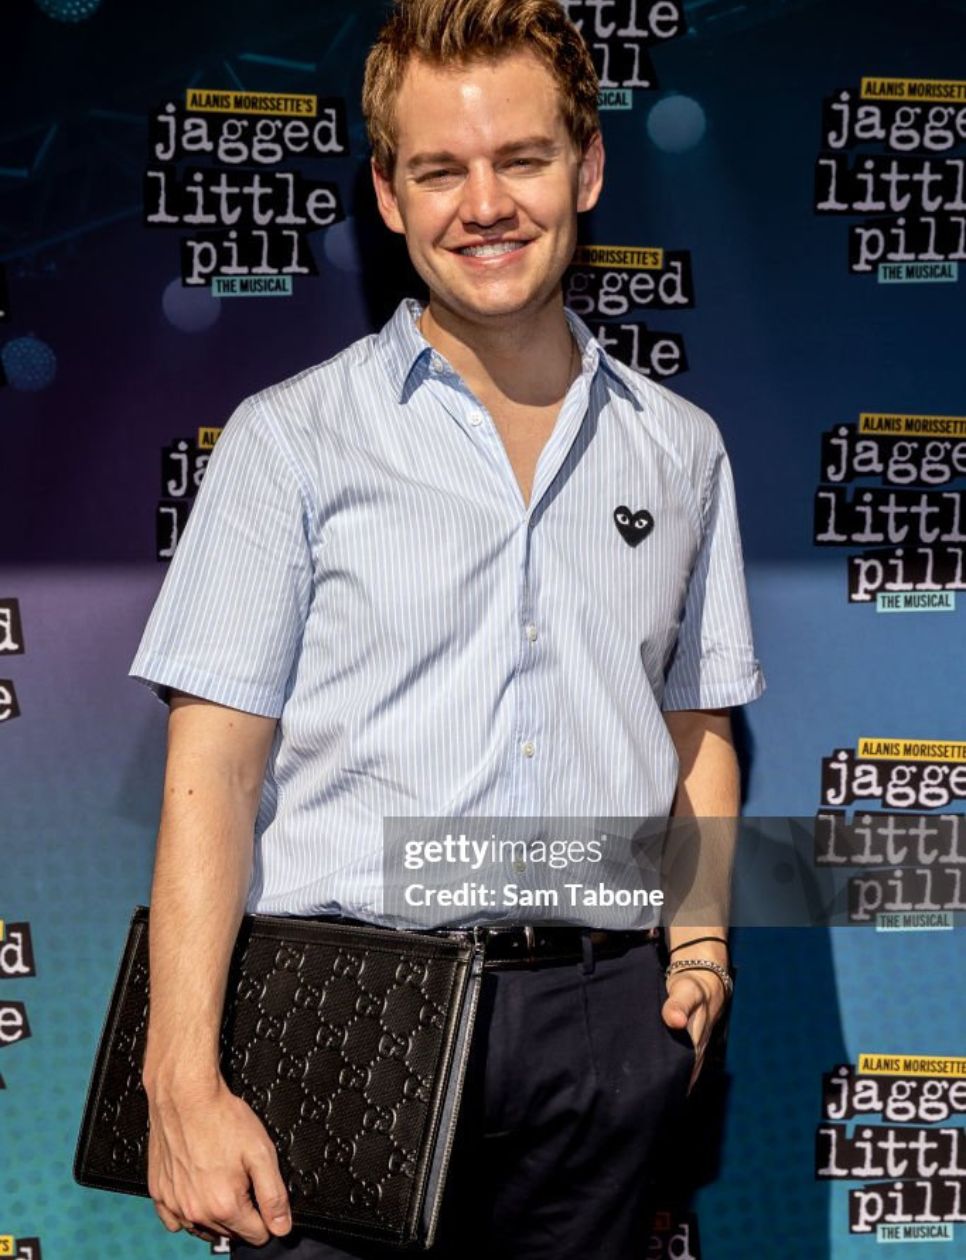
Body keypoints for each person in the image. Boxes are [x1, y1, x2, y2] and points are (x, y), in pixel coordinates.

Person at [130, 1, 765, 1256]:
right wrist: (179, 1080)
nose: (486, 204)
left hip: (604, 1024)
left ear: (585, 166)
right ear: (388, 192)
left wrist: (698, 947)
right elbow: (212, 768)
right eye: (441, 169)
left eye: (521, 159)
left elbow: (697, 726)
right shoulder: (291, 439)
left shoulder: (680, 449)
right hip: (347, 1018)